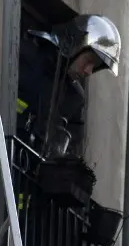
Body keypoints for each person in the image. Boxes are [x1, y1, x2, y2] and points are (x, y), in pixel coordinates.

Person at [15, 14, 121, 159]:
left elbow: (68, 153)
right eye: (89, 60)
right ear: (75, 46)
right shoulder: (29, 58)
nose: (89, 71)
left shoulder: (74, 100)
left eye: (94, 67)